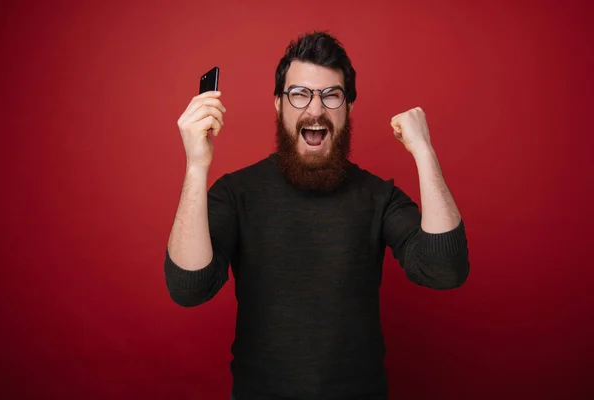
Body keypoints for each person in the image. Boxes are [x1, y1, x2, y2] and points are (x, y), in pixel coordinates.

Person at [164, 31, 470, 400]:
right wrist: (197, 166)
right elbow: (188, 288)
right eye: (299, 94)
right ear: (278, 105)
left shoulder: (378, 195)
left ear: (348, 109)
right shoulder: (235, 192)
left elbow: (445, 270)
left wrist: (424, 151)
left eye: (331, 95)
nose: (315, 109)